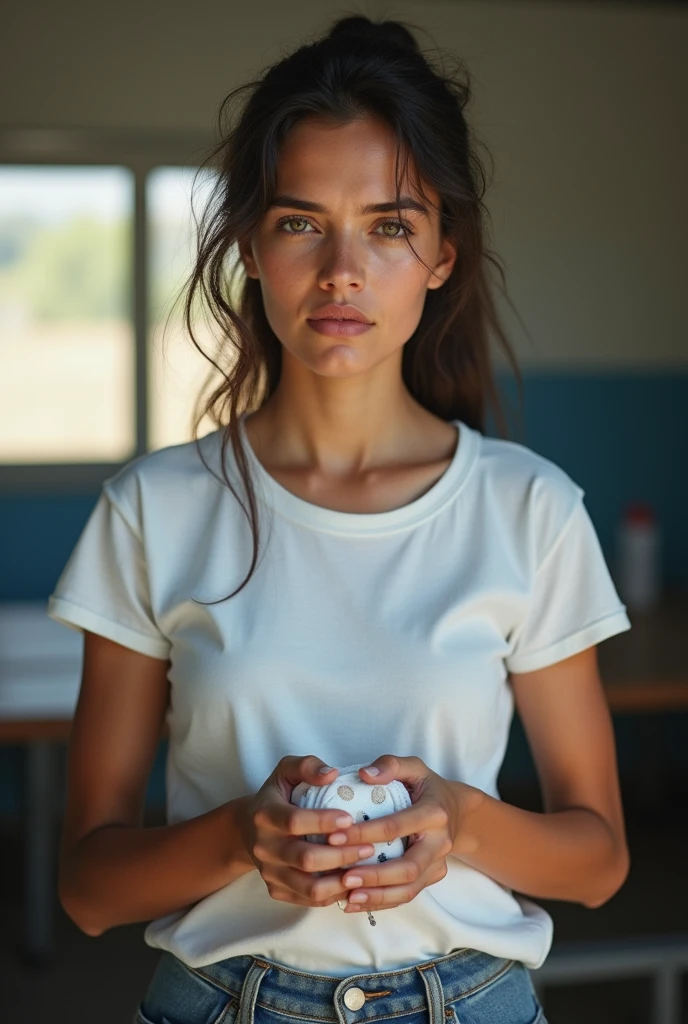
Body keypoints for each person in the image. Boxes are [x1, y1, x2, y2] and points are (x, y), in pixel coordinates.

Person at [47, 13, 632, 1024]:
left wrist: (461, 822)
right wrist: (241, 836)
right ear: (250, 244)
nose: (341, 271)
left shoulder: (528, 508)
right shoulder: (152, 510)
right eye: (300, 221)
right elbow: (90, 886)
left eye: (390, 225)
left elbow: (599, 861)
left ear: (444, 252)